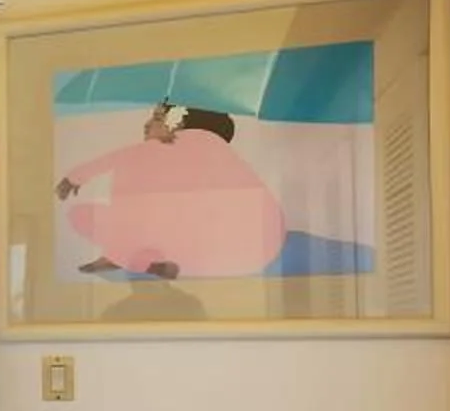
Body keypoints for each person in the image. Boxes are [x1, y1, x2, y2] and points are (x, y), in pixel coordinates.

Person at [52, 101, 285, 280]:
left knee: (82, 214)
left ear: (177, 123)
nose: (146, 125)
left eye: (155, 118)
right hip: (256, 253)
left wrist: (74, 178)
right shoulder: (218, 148)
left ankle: (126, 257)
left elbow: (116, 160)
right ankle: (131, 257)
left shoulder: (163, 148)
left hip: (191, 252)